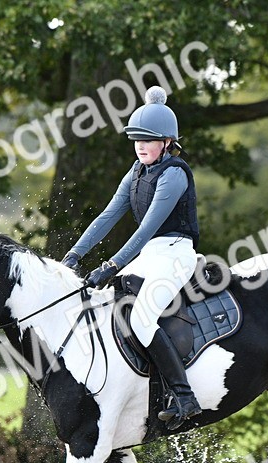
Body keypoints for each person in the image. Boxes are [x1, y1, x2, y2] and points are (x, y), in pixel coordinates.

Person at [61, 85, 201, 429]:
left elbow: (146, 229)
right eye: (136, 139)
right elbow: (107, 217)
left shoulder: (174, 173)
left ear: (167, 142)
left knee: (140, 320)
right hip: (151, 254)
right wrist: (74, 256)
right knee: (108, 309)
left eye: (148, 139)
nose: (140, 145)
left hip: (176, 252)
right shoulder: (136, 172)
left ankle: (184, 396)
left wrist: (109, 266)